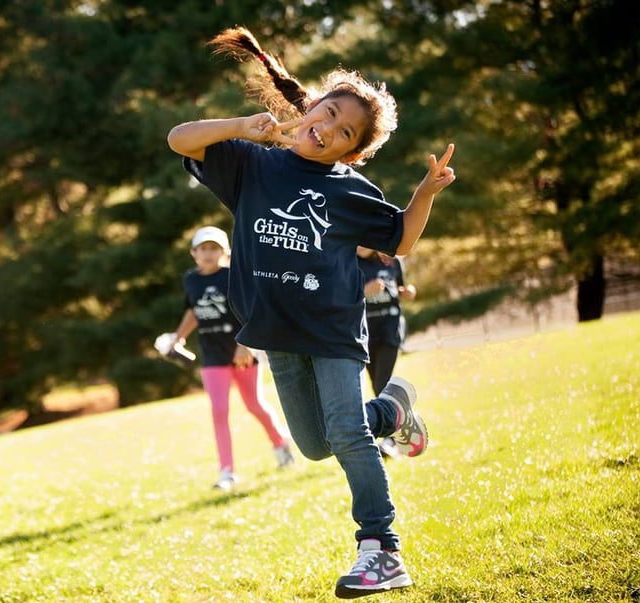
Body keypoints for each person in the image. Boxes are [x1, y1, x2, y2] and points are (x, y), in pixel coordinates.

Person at [167, 26, 455, 599]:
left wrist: (424, 192)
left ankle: (381, 550)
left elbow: (398, 240)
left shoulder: (348, 189)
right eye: (328, 113)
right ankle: (392, 410)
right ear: (309, 107)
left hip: (334, 331)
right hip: (275, 334)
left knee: (346, 434)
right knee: (317, 444)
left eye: (346, 132)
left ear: (353, 150)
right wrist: (241, 127)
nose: (329, 129)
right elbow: (179, 138)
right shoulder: (252, 164)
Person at [162, 225, 294, 491]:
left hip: (242, 351)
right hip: (212, 356)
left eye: (214, 248)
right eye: (203, 249)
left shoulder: (234, 276)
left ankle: (281, 444)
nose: (208, 254)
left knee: (254, 405)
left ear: (225, 252)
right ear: (193, 253)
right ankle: (227, 472)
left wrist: (245, 345)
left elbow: (252, 312)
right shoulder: (191, 280)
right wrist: (178, 337)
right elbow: (194, 311)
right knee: (219, 411)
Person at [357, 247, 418, 460]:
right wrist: (365, 291)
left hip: (390, 330)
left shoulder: (390, 260)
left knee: (382, 383)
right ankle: (404, 424)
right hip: (364, 334)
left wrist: (408, 292)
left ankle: (391, 440)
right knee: (377, 386)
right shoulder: (349, 262)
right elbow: (343, 296)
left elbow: (401, 287)